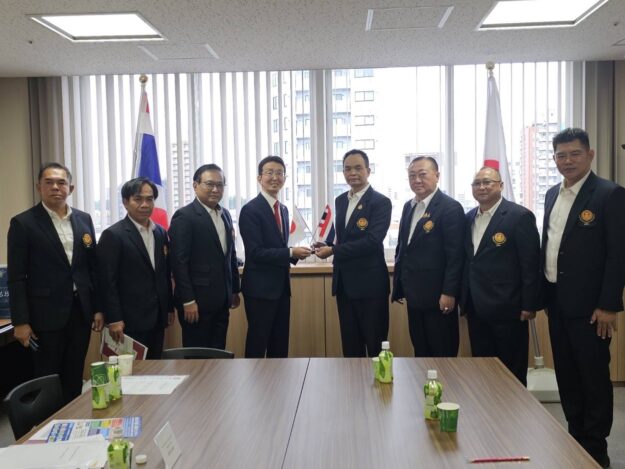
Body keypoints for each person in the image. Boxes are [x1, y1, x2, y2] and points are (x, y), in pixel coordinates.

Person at [541, 128, 625, 468]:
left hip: (592, 308)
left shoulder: (609, 194)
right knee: (567, 376)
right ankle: (574, 437)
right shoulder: (552, 194)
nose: (567, 161)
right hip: (557, 303)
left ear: (590, 154)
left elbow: (617, 254)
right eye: (561, 155)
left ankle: (595, 449)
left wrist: (608, 304)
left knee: (593, 379)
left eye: (574, 153)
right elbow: (551, 246)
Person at [7, 162, 103, 402]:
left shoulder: (83, 219)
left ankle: (72, 417)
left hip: (80, 312)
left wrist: (97, 308)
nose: (55, 187)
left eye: (61, 183)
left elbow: (92, 268)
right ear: (39, 187)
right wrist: (20, 322)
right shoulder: (23, 223)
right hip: (45, 316)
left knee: (74, 372)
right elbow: (16, 277)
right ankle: (48, 421)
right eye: (48, 182)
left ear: (71, 188)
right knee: (47, 376)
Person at [460, 166, 540, 385]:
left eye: (488, 182)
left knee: (511, 371)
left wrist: (529, 304)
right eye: (477, 183)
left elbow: (530, 264)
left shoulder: (519, 216)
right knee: (483, 368)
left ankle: (513, 408)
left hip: (509, 308)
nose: (482, 187)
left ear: (501, 185)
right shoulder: (468, 218)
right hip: (476, 307)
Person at [316, 149, 391, 357]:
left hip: (371, 287)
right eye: (347, 169)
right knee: (350, 349)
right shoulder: (341, 200)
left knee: (376, 347)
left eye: (358, 168)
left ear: (368, 170)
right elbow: (345, 238)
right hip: (344, 286)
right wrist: (326, 244)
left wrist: (333, 250)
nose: (353, 173)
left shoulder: (380, 202)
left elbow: (372, 242)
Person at [391, 156, 465, 357]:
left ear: (437, 175)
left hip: (438, 297)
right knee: (421, 351)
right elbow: (403, 248)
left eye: (422, 174)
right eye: (412, 175)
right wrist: (399, 285)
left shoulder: (450, 208)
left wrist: (449, 292)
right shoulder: (409, 206)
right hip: (414, 294)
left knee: (442, 353)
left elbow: (455, 256)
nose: (417, 180)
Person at [239, 156, 311, 358]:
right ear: (259, 178)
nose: (275, 177)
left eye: (280, 173)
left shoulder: (283, 210)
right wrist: (290, 252)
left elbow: (278, 248)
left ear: (284, 178)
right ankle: (255, 380)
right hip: (260, 290)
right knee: (258, 343)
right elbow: (255, 252)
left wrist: (299, 253)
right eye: (269, 173)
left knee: (280, 345)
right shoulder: (250, 210)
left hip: (281, 288)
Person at [97, 177, 174, 359]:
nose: (144, 204)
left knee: (155, 367)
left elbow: (164, 275)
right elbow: (107, 281)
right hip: (128, 320)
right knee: (131, 371)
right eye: (138, 199)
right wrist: (114, 318)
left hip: (157, 317)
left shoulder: (160, 232)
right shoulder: (113, 235)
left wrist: (168, 308)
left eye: (149, 199)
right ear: (125, 202)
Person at [169, 164, 241, 349]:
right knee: (198, 356)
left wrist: (234, 290)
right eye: (209, 184)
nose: (215, 189)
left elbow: (230, 255)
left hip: (222, 300)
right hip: (196, 303)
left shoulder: (225, 214)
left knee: (219, 352)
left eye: (220, 185)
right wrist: (188, 300)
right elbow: (179, 263)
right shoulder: (184, 216)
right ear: (195, 185)